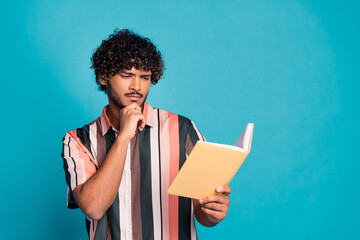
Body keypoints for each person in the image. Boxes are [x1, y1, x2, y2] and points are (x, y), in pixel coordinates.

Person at [61, 29, 231, 240]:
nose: (136, 86)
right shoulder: (78, 140)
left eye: (145, 77)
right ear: (103, 76)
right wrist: (123, 137)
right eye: (126, 75)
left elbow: (203, 213)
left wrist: (213, 213)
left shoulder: (183, 129)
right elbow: (93, 208)